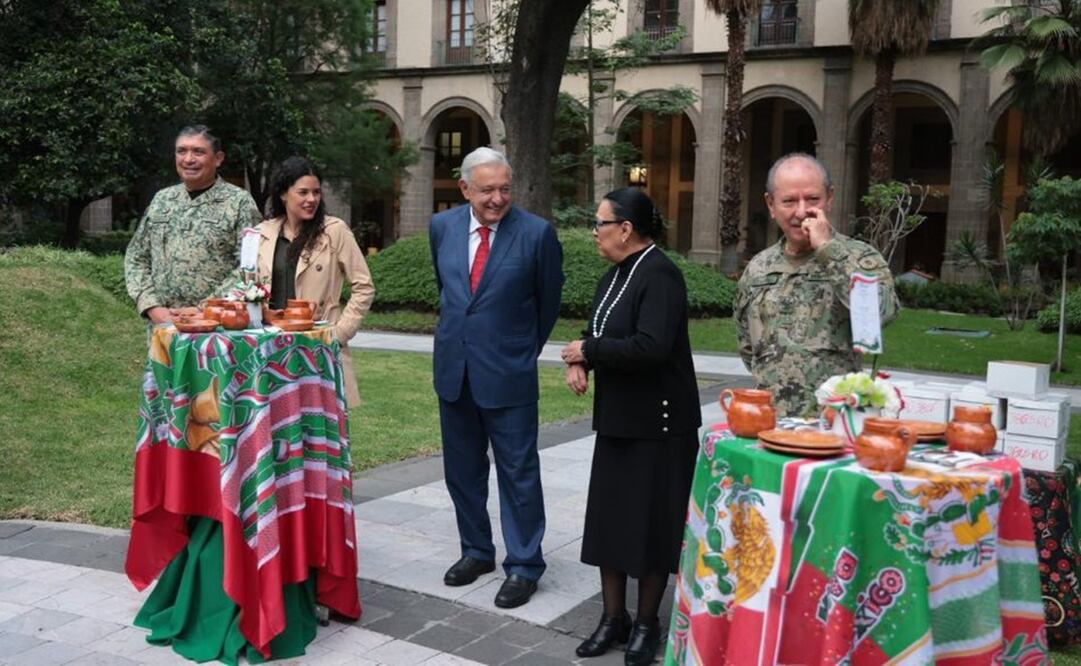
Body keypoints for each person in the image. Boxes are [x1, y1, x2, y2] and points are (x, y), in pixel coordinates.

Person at [559, 188, 701, 666]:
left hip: (659, 427)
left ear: (625, 229)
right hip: (619, 421)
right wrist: (581, 359)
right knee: (611, 524)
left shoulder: (660, 274)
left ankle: (646, 623)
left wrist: (590, 351)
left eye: (600, 223)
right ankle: (612, 618)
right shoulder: (614, 274)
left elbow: (651, 346)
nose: (594, 232)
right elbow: (600, 334)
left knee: (651, 530)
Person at [429, 146, 564, 609]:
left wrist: (521, 352)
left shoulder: (537, 233)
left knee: (518, 473)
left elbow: (548, 303)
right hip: (455, 373)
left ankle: (524, 565)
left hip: (509, 374)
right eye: (487, 190)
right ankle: (476, 551)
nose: (498, 198)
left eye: (505, 188)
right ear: (465, 189)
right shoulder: (441, 227)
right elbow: (450, 293)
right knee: (462, 472)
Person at [734, 153, 900, 417]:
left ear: (829, 199)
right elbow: (747, 345)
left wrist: (827, 249)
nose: (801, 212)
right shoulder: (758, 267)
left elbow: (881, 312)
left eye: (813, 199)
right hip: (769, 421)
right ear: (771, 205)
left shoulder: (859, 257)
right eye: (789, 201)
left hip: (835, 421)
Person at [254, 156, 375, 408]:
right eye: (303, 192)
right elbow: (248, 286)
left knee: (319, 423)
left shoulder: (334, 230)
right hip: (271, 347)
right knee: (276, 420)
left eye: (316, 192)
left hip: (319, 345)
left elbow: (364, 286)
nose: (312, 199)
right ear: (284, 194)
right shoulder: (262, 232)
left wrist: (340, 334)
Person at [125, 125, 262, 323]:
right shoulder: (162, 200)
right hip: (163, 325)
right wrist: (151, 306)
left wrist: (205, 309)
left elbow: (250, 266)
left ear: (218, 159)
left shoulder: (239, 202)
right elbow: (137, 257)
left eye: (198, 152)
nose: (188, 159)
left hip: (215, 327)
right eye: (181, 151)